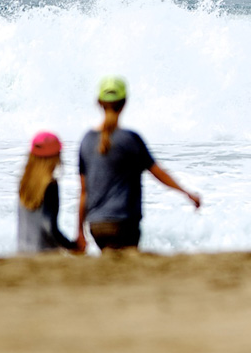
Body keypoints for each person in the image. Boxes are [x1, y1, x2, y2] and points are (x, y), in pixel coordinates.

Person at [77, 76, 201, 252]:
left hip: (96, 225)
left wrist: (79, 232)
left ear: (99, 103)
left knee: (111, 263)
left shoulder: (87, 141)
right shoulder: (130, 139)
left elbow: (84, 192)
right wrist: (187, 193)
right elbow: (158, 173)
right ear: (124, 103)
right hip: (123, 223)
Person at [17, 131, 82, 254]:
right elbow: (49, 226)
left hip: (23, 251)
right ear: (55, 157)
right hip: (44, 252)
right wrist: (72, 245)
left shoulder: (24, 183)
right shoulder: (50, 185)